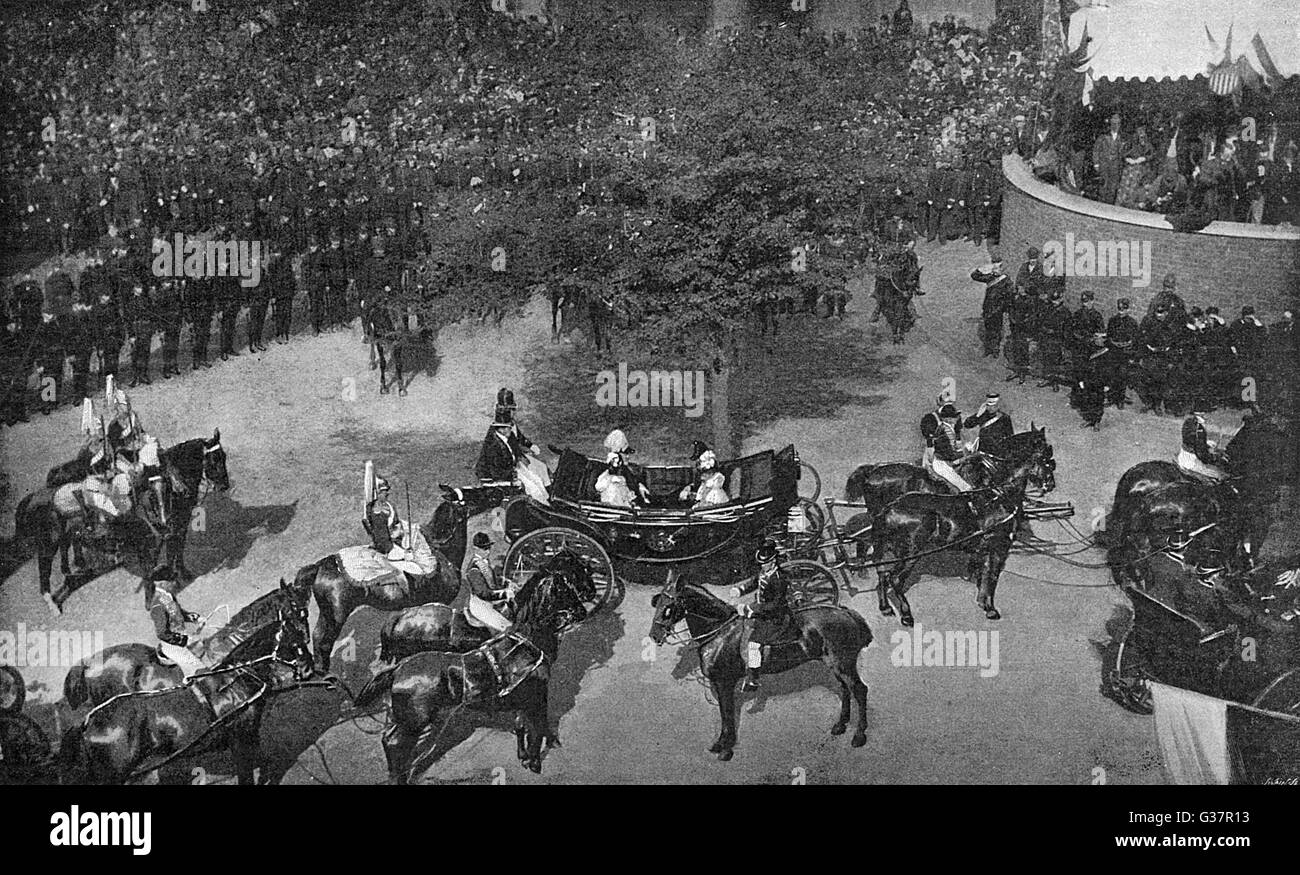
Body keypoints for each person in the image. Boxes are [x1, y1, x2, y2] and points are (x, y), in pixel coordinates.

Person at [730, 540, 796, 692]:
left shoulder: (779, 579)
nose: (762, 566)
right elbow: (755, 582)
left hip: (775, 618)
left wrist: (749, 609)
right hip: (763, 611)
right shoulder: (765, 572)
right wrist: (739, 590)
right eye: (760, 564)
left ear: (773, 562)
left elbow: (774, 605)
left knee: (753, 646)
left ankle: (753, 679)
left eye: (764, 564)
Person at [145, 568, 204, 678]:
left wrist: (195, 618)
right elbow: (162, 633)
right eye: (171, 580)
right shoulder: (157, 605)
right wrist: (184, 640)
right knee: (199, 671)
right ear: (162, 583)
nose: (175, 583)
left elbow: (177, 613)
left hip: (182, 637)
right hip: (173, 646)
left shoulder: (167, 596)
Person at [463, 532, 512, 634]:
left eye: (489, 548)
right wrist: (505, 594)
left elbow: (490, 580)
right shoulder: (474, 569)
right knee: (507, 629)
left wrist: (505, 582)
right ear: (476, 549)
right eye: (484, 549)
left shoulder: (484, 562)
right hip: (481, 606)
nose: (488, 551)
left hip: (489, 603)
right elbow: (483, 593)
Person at [970, 252, 1011, 357]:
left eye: (997, 268)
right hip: (988, 307)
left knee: (997, 330)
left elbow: (1009, 296)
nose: (995, 271)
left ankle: (995, 350)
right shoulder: (990, 278)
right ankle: (988, 349)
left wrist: (1004, 308)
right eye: (994, 269)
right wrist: (984, 268)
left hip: (998, 308)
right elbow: (974, 276)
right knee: (988, 329)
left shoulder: (1006, 280)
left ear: (1002, 269)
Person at [926, 404, 972, 491]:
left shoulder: (946, 428)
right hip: (943, 464)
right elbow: (949, 453)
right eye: (954, 417)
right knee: (966, 487)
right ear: (948, 418)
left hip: (943, 460)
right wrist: (965, 453)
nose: (956, 419)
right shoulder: (947, 431)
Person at [1178, 410, 1229, 482]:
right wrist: (1216, 457)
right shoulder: (1199, 428)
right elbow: (1202, 455)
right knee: (1220, 476)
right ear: (1202, 413)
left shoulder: (1189, 421)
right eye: (1209, 412)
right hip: (1192, 462)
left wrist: (1206, 443)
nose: (1210, 414)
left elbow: (1191, 441)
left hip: (1183, 456)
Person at [963, 392, 1014, 459]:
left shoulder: (1004, 417)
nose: (991, 408)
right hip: (983, 449)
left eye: (994, 406)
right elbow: (967, 424)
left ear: (998, 406)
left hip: (998, 451)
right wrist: (977, 415)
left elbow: (1010, 435)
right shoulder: (982, 415)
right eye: (988, 406)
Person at [1093, 112, 1126, 205]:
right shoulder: (1103, 135)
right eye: (1114, 120)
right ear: (1110, 122)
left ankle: (1109, 205)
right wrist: (1096, 163)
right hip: (1104, 163)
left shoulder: (1122, 137)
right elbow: (1096, 149)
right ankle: (1100, 204)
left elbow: (1124, 153)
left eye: (1118, 122)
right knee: (1103, 184)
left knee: (1113, 186)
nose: (1116, 124)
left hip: (1115, 165)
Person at [474, 417, 519, 483]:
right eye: (509, 427)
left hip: (505, 476)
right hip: (493, 480)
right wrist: (513, 474)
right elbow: (495, 470)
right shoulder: (493, 445)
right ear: (501, 429)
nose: (511, 430)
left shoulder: (506, 440)